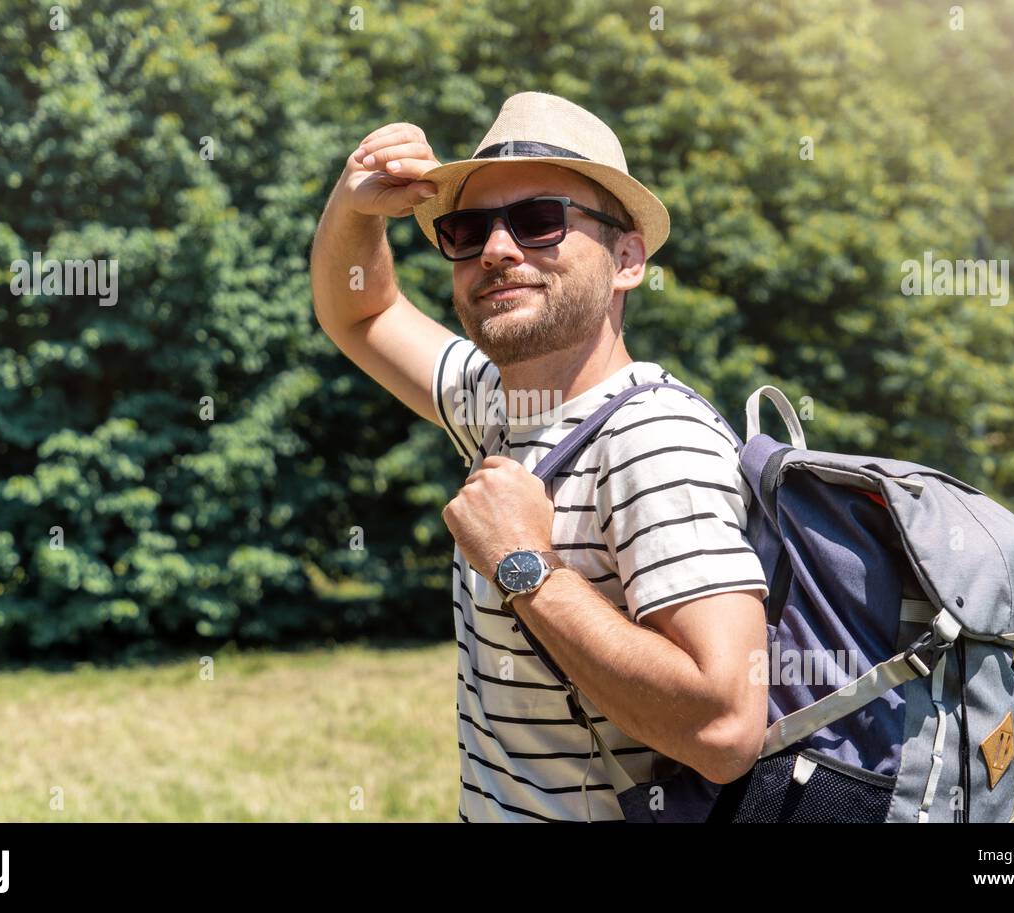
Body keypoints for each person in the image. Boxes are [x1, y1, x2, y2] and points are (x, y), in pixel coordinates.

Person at [311, 91, 769, 822]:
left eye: (538, 221)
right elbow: (359, 311)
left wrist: (526, 565)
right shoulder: (498, 404)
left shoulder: (654, 440)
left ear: (627, 259)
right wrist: (355, 202)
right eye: (468, 229)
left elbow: (725, 729)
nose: (497, 249)